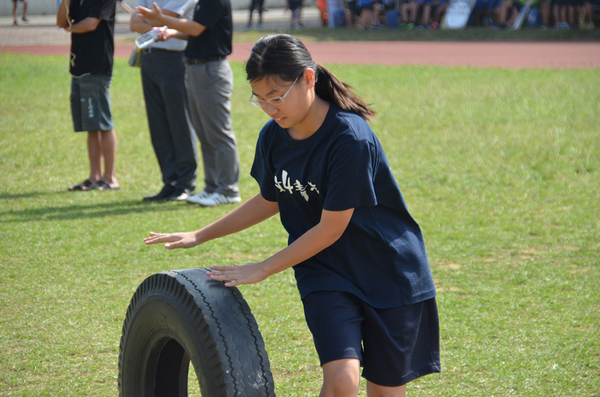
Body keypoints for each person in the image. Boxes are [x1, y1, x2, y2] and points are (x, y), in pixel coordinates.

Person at [144, 34, 441, 397]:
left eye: (277, 96)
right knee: (341, 382)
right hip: (325, 271)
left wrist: (263, 267)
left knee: (385, 392)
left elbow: (332, 227)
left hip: (389, 272)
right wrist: (199, 234)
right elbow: (272, 198)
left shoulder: (351, 139)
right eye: (260, 99)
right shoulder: (273, 136)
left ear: (309, 79)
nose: (270, 108)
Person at [136, 0, 241, 207]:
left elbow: (195, 27)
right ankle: (212, 187)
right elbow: (195, 33)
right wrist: (171, 32)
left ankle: (228, 189)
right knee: (205, 134)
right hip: (196, 68)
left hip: (210, 69)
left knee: (218, 133)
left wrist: (160, 19)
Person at [130, 0, 198, 202]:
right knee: (158, 123)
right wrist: (158, 24)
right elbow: (134, 23)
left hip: (174, 59)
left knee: (179, 122)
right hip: (150, 56)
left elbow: (165, 18)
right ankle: (170, 182)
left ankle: (185, 183)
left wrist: (157, 21)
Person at [57, 0, 121, 191]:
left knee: (103, 123)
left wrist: (70, 28)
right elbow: (61, 21)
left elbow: (91, 24)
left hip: (97, 66)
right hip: (79, 66)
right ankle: (94, 177)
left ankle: (110, 178)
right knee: (91, 125)